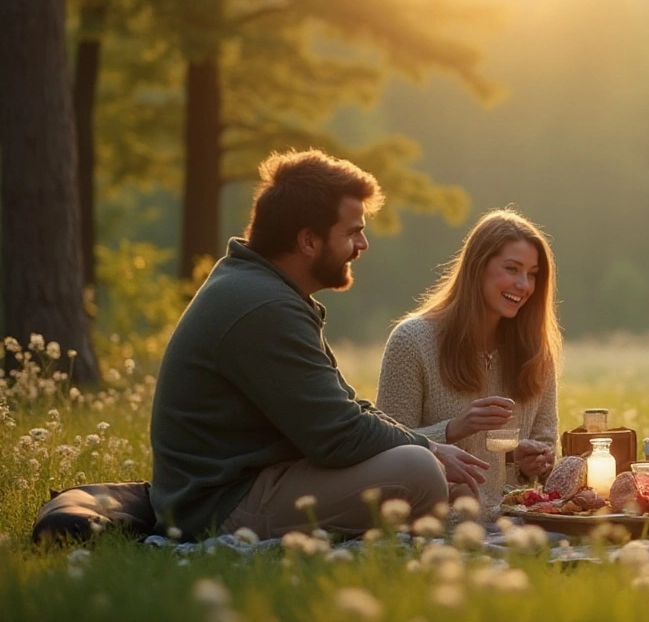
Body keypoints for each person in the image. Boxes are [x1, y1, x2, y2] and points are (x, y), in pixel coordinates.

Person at [149, 150, 488, 541]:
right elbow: (336, 437)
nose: (362, 244)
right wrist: (428, 449)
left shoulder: (268, 292)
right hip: (220, 507)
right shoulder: (264, 306)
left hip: (258, 481)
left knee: (431, 467)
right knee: (419, 471)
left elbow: (343, 409)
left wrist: (432, 446)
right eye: (351, 232)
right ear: (308, 241)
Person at [376, 209, 561, 520]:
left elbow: (545, 445)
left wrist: (531, 460)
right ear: (477, 268)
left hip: (517, 523)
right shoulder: (413, 341)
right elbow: (387, 451)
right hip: (434, 522)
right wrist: (454, 428)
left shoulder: (536, 351)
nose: (524, 285)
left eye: (532, 274)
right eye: (512, 269)